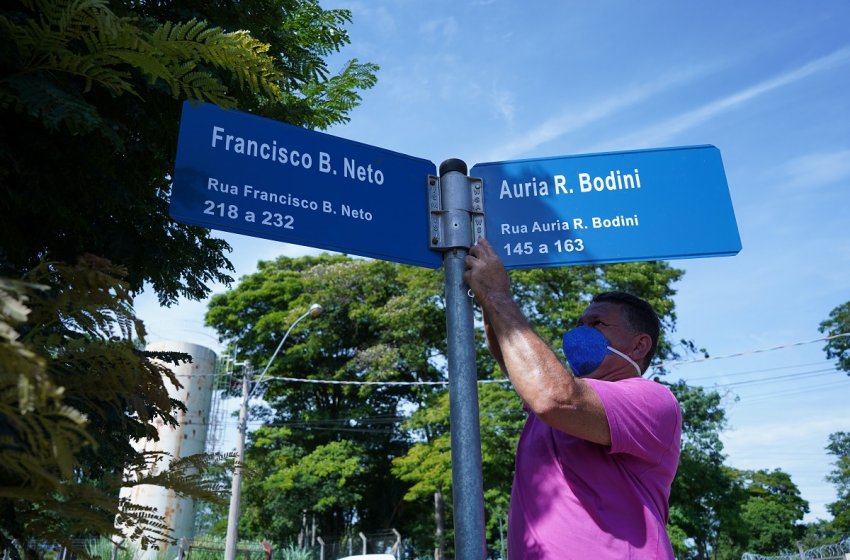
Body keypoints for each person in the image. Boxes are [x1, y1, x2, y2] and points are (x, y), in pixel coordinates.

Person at [463, 239, 682, 560]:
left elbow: (553, 396)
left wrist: (498, 294)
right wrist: (485, 296)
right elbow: (510, 355)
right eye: (580, 324)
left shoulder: (651, 398)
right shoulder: (564, 395)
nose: (582, 333)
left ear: (639, 346)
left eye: (597, 324)